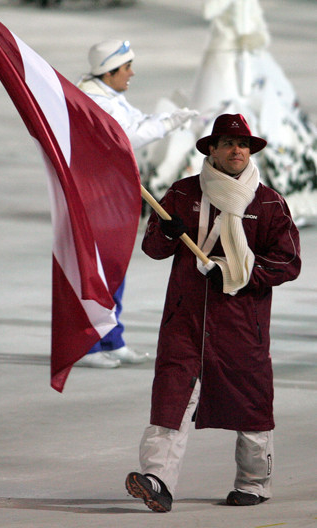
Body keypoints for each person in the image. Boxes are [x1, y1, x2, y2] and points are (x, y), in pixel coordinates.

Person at [125, 113, 301, 512]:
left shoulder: (270, 202)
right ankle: (157, 481)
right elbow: (154, 248)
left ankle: (254, 482)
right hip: (184, 321)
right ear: (212, 150)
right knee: (170, 399)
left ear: (250, 151)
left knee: (251, 403)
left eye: (243, 145)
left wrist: (235, 271)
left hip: (243, 325)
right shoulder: (183, 193)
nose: (236, 150)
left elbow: (288, 262)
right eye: (227, 144)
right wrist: (165, 232)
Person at [150, 0, 317, 221]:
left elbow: (252, 14)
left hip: (248, 57)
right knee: (220, 111)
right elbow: (210, 9)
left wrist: (258, 36)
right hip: (224, 57)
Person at [76, 39, 198, 368]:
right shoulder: (91, 100)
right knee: (98, 272)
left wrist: (168, 118)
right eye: (126, 67)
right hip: (96, 196)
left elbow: (138, 119)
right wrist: (166, 125)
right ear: (109, 71)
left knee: (115, 267)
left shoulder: (109, 95)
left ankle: (111, 339)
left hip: (115, 193)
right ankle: (87, 346)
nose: (132, 72)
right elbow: (126, 136)